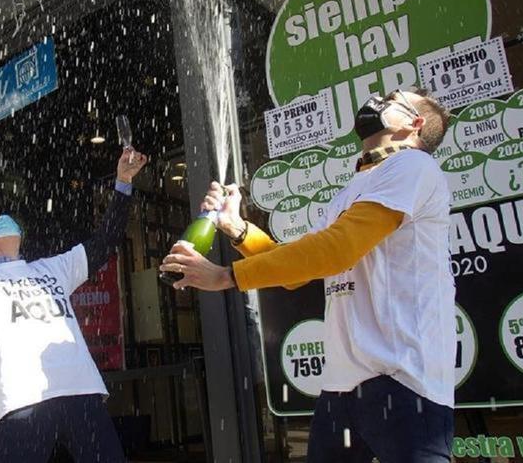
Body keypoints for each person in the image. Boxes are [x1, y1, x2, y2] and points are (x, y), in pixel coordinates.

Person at [161, 88, 455, 462]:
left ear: (414, 124)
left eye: (392, 98)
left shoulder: (413, 166)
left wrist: (225, 276)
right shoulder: (354, 189)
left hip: (403, 381)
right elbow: (297, 270)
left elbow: (336, 250)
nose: (377, 99)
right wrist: (237, 228)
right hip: (341, 389)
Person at [0, 117, 147, 462]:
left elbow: (104, 243)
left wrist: (122, 183)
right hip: (21, 400)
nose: (6, 220)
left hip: (81, 391)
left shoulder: (51, 268)